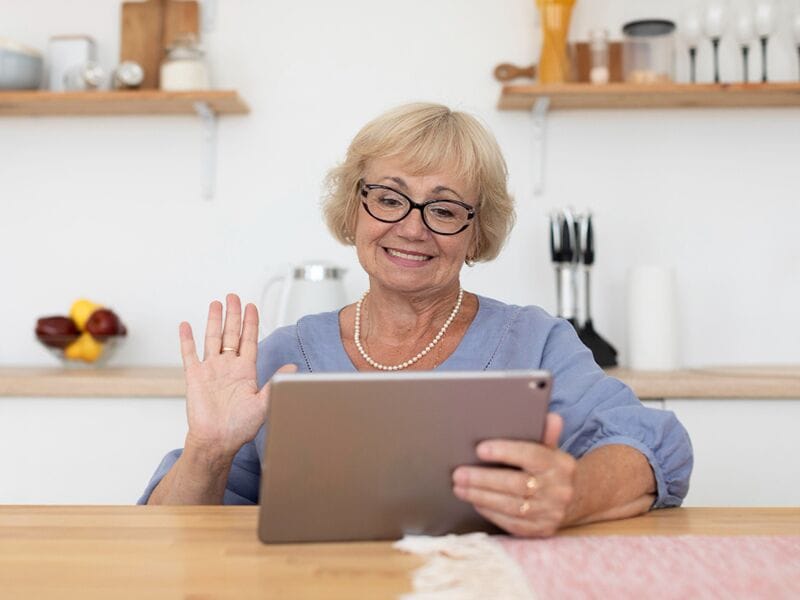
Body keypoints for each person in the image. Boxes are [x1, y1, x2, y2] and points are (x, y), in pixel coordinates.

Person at [139, 102, 692, 537]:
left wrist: (570, 497)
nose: (412, 228)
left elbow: (655, 447)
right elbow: (164, 534)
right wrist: (207, 449)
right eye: (388, 198)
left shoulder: (535, 341)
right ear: (354, 210)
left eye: (445, 209)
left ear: (477, 234)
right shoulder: (279, 357)